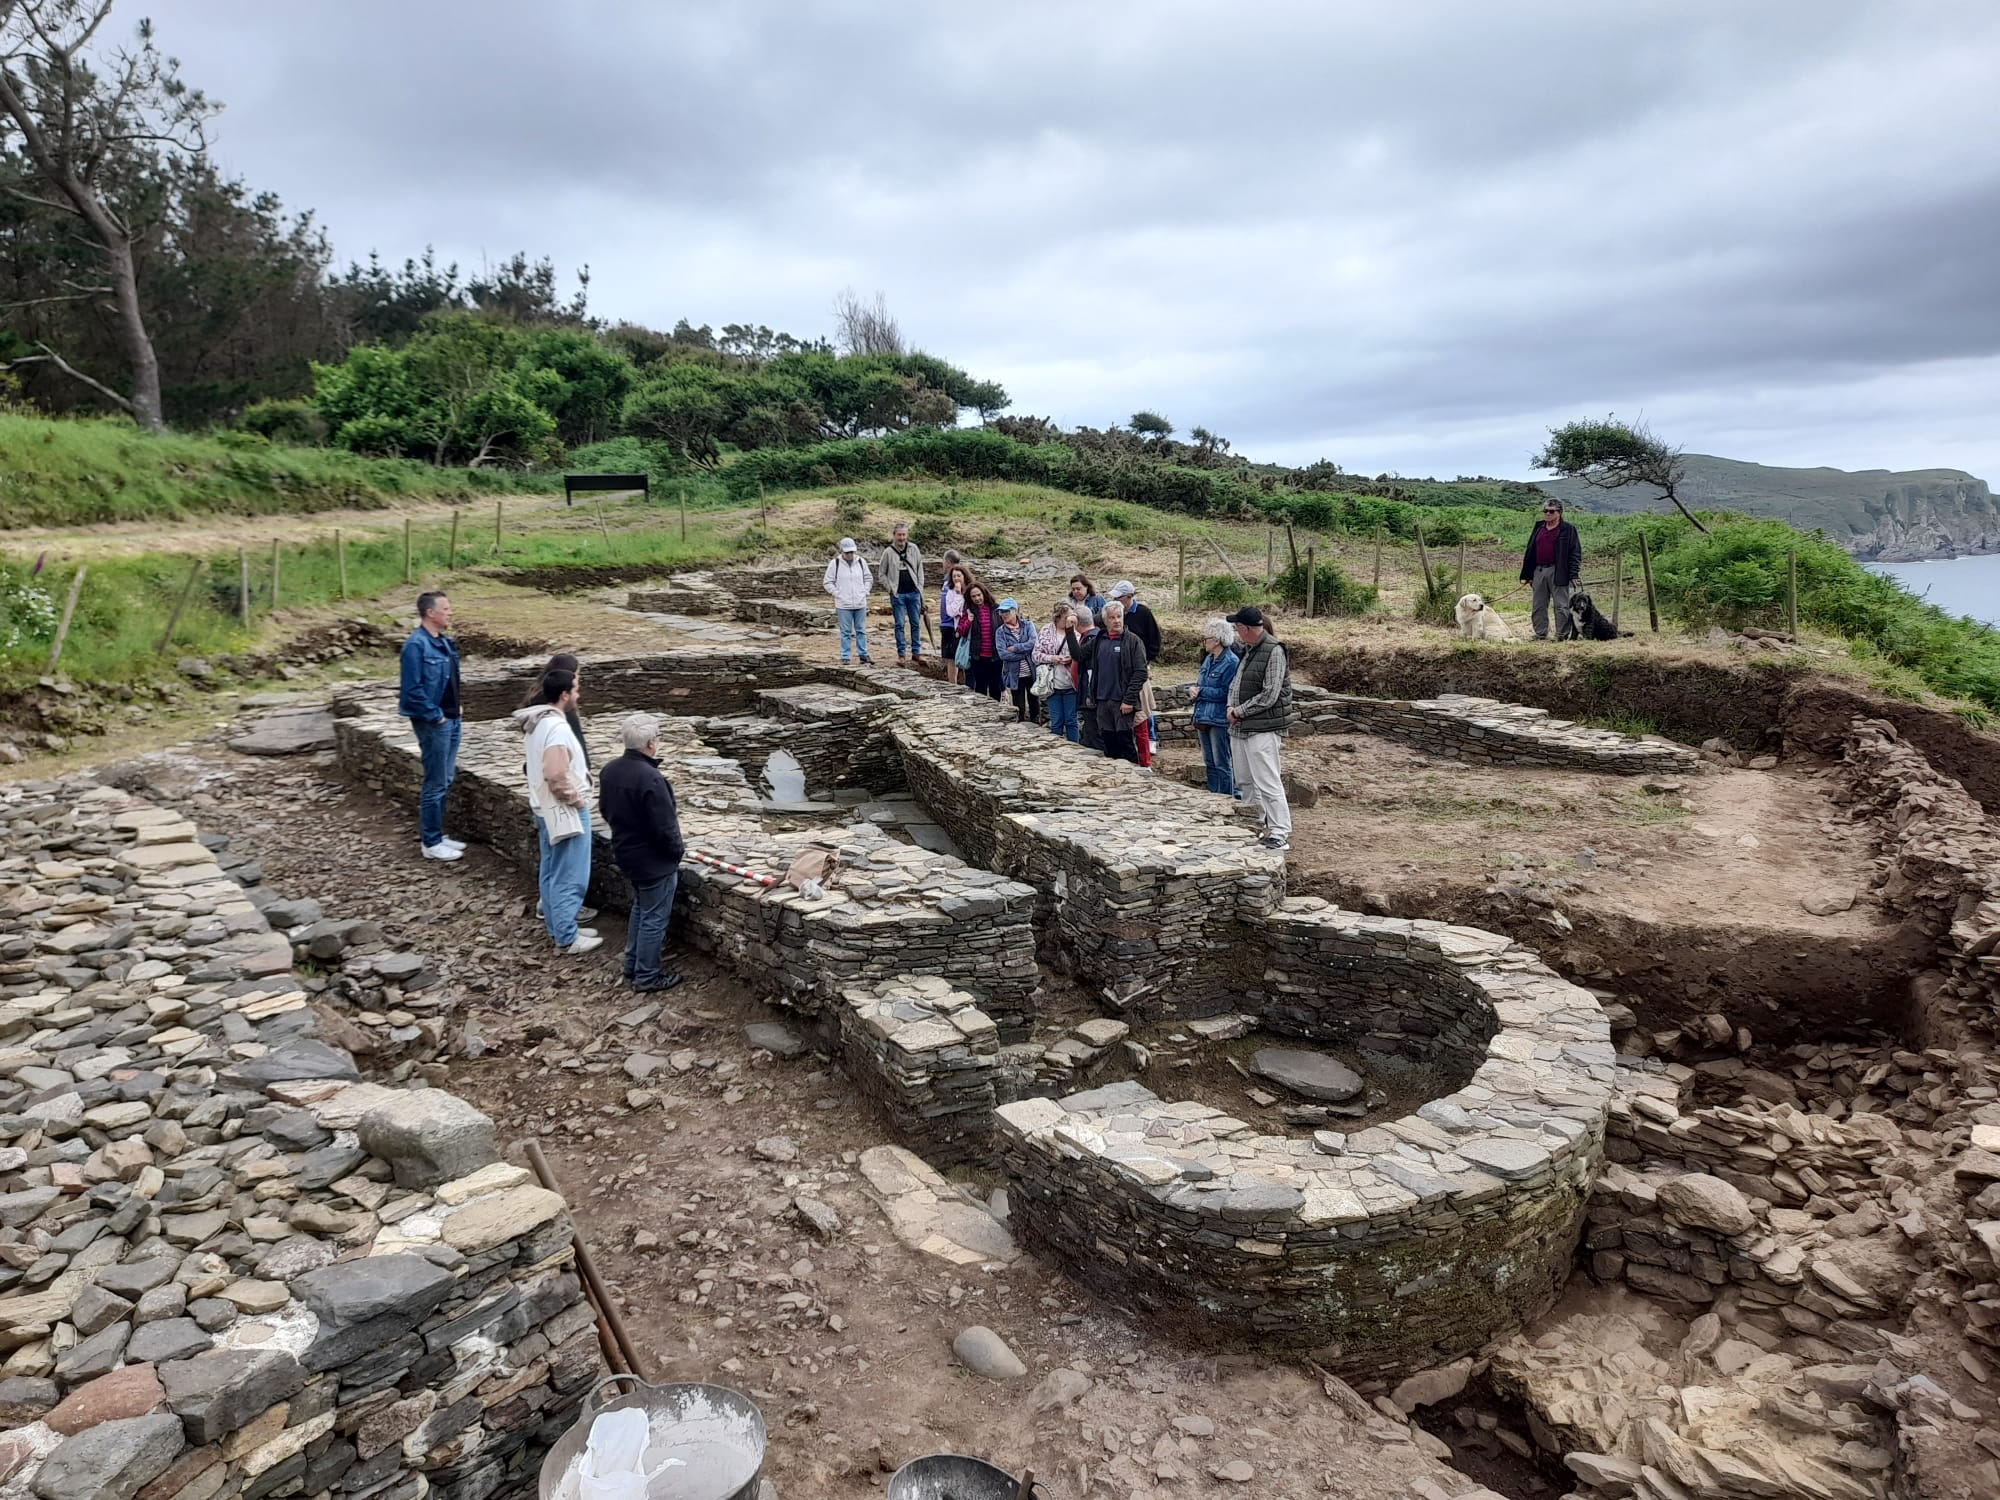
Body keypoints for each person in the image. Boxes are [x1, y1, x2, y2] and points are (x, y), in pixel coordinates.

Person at [513, 666, 600, 953]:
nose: (579, 694)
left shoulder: (537, 721)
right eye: (575, 689)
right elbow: (555, 774)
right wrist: (577, 800)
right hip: (563, 811)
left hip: (543, 809)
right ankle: (567, 936)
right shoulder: (558, 728)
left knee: (551, 869)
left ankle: (558, 925)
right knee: (570, 873)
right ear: (564, 695)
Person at [599, 713, 686, 994]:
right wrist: (677, 853)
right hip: (654, 861)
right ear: (650, 744)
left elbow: (604, 810)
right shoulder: (651, 779)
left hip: (626, 852)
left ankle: (632, 964)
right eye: (657, 738)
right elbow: (665, 828)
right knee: (654, 917)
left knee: (641, 907)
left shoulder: (610, 770)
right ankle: (647, 976)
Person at [398, 590, 464, 862]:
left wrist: (456, 709)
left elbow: (451, 679)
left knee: (446, 779)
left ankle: (438, 834)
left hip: (451, 719)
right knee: (435, 783)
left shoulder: (444, 642)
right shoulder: (416, 646)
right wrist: (436, 715)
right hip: (435, 722)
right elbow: (412, 690)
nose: (450, 612)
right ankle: (431, 841)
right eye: (446, 608)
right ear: (430, 613)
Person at [1225, 606, 1293, 852]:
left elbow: (1270, 694)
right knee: (1245, 780)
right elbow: (1237, 685)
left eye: (1237, 627)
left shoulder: (1274, 651)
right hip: (1242, 727)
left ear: (1246, 629)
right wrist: (1231, 707)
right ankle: (1255, 823)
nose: (1235, 632)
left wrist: (1239, 711)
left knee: (1267, 780)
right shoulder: (1249, 650)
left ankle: (1280, 831)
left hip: (1262, 728)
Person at [1084, 599, 1149, 763]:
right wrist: (1070, 632)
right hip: (1102, 701)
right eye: (1112, 618)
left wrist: (1129, 700)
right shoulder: (1100, 640)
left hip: (1122, 703)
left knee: (1125, 744)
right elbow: (1078, 654)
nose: (1117, 621)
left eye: (1119, 616)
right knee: (1109, 745)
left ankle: (1136, 781)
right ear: (1105, 621)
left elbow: (1140, 672)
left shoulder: (1133, 641)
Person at [1187, 619, 1239, 796]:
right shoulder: (1208, 659)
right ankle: (1212, 796)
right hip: (1203, 716)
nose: (1204, 641)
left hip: (1218, 719)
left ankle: (1225, 798)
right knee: (1209, 761)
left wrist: (1201, 692)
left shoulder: (1231, 662)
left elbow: (1227, 692)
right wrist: (1194, 690)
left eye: (1207, 638)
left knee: (1222, 763)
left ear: (1217, 640)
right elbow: (1202, 683)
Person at [1520, 497, 1583, 641]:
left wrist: (1574, 574)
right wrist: (1528, 573)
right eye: (1545, 511)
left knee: (1561, 605)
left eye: (1551, 511)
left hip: (1558, 570)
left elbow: (1575, 553)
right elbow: (1531, 550)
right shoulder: (1539, 527)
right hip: (1539, 570)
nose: (1548, 514)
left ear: (1559, 512)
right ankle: (1540, 633)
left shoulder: (1568, 529)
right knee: (1538, 604)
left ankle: (1561, 634)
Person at [1034, 601, 1084, 743]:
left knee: (1071, 721)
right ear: (1058, 617)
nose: (1070, 621)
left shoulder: (1077, 632)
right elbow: (1035, 655)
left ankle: (1075, 749)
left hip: (1071, 684)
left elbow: (1082, 655)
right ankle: (1056, 751)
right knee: (1056, 721)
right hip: (1052, 684)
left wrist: (1072, 659)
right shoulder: (1045, 631)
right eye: (1066, 618)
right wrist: (1052, 658)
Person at [879, 523, 927, 666]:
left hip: (913, 593)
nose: (902, 537)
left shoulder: (914, 549)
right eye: (899, 534)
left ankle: (916, 653)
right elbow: (881, 574)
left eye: (904, 534)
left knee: (915, 623)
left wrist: (920, 588)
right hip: (898, 594)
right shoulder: (888, 552)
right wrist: (891, 589)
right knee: (900, 624)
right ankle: (901, 655)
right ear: (894, 535)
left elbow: (920, 570)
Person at [823, 537, 874, 664]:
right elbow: (827, 582)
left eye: (851, 552)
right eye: (847, 552)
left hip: (860, 602)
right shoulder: (835, 564)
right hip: (843, 605)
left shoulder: (861, 562)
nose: (850, 555)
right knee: (845, 632)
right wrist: (837, 594)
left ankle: (863, 654)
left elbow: (868, 578)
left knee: (861, 630)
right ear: (842, 552)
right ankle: (845, 656)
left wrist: (865, 591)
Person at [960, 580, 1005, 700]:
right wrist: (968, 621)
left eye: (979, 595)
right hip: (978, 656)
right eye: (973, 596)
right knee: (980, 687)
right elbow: (961, 631)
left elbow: (1004, 628)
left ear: (984, 593)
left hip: (995, 656)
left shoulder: (996, 609)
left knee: (995, 687)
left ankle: (997, 713)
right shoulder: (968, 611)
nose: (977, 598)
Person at [997, 598, 1038, 722]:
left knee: (1034, 703)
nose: (1004, 615)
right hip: (1015, 675)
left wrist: (1015, 648)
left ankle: (1037, 725)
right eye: (1001, 612)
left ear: (1015, 611)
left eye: (1007, 611)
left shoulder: (1028, 625)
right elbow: (1003, 654)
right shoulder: (1000, 632)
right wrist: (1024, 653)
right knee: (1018, 706)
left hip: (1032, 672)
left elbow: (1034, 643)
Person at [939, 562, 970, 687]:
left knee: (967, 655)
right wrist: (958, 595)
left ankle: (970, 684)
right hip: (952, 626)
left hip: (968, 627)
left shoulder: (971, 589)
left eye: (959, 576)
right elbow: (951, 611)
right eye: (954, 576)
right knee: (952, 657)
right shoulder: (950, 592)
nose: (956, 579)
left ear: (964, 576)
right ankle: (953, 685)